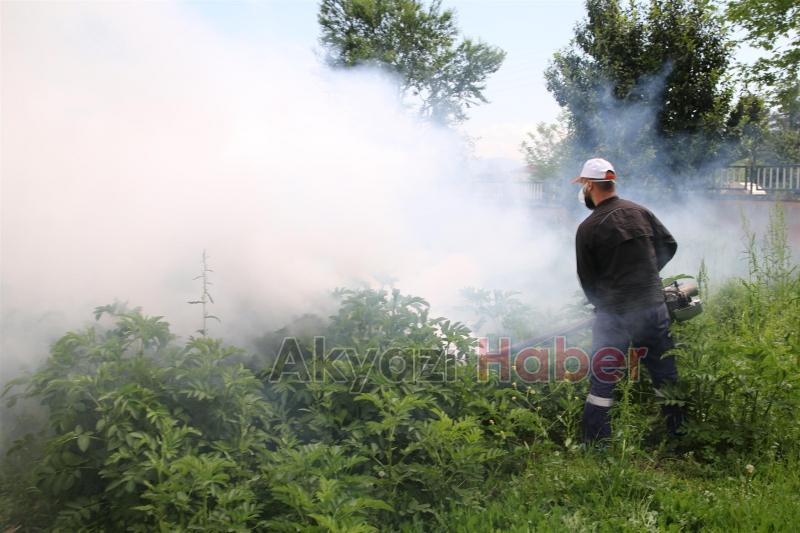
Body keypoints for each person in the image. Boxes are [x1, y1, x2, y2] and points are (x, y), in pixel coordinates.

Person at [573, 158, 683, 442]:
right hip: (653, 307)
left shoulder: (589, 228)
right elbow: (669, 245)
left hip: (615, 315)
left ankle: (597, 443)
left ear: (589, 185)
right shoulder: (640, 212)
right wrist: (646, 276)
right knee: (664, 372)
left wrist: (607, 300)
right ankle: (678, 433)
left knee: (604, 379)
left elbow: (588, 281)